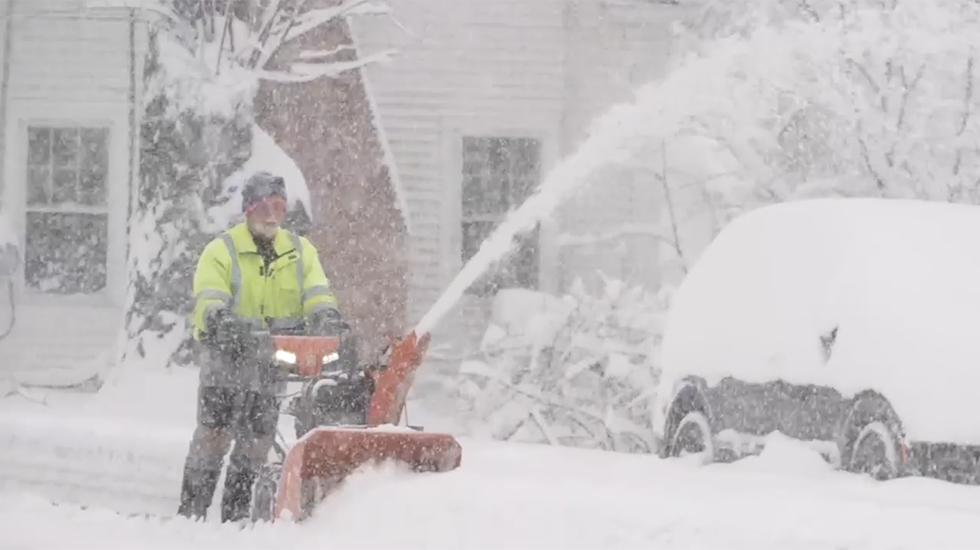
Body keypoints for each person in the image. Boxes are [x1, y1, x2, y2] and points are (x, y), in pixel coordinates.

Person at [176, 171, 346, 523]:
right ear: (249, 210)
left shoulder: (300, 252)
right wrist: (224, 322)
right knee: (214, 437)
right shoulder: (221, 251)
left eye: (279, 207)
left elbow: (317, 293)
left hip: (271, 364)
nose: (272, 215)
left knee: (256, 441)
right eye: (265, 207)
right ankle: (191, 515)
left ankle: (235, 520)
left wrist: (327, 317)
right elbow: (208, 299)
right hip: (227, 359)